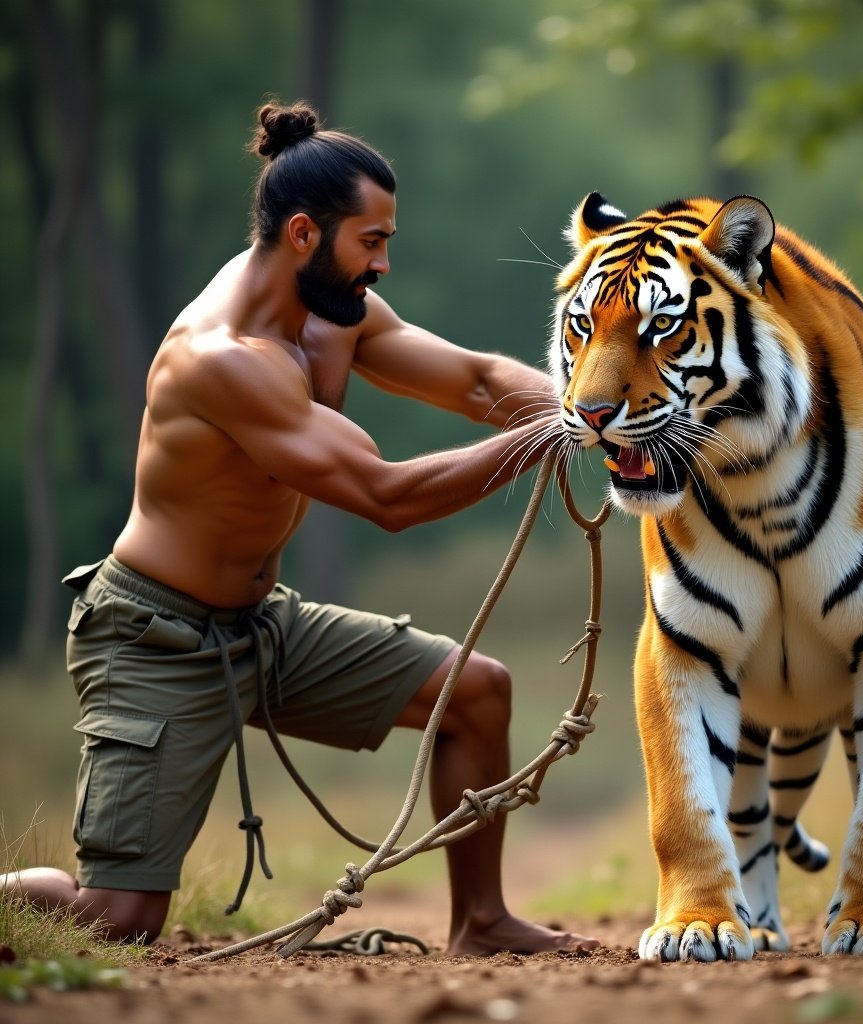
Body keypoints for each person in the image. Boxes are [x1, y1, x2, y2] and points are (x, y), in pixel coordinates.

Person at [1, 101, 598, 957]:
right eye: (372, 241)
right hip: (153, 637)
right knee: (119, 920)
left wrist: (591, 412)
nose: (384, 263)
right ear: (306, 233)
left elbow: (472, 383)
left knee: (477, 693)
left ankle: (481, 920)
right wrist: (552, 437)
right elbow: (385, 497)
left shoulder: (334, 311)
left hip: (260, 623)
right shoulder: (220, 358)